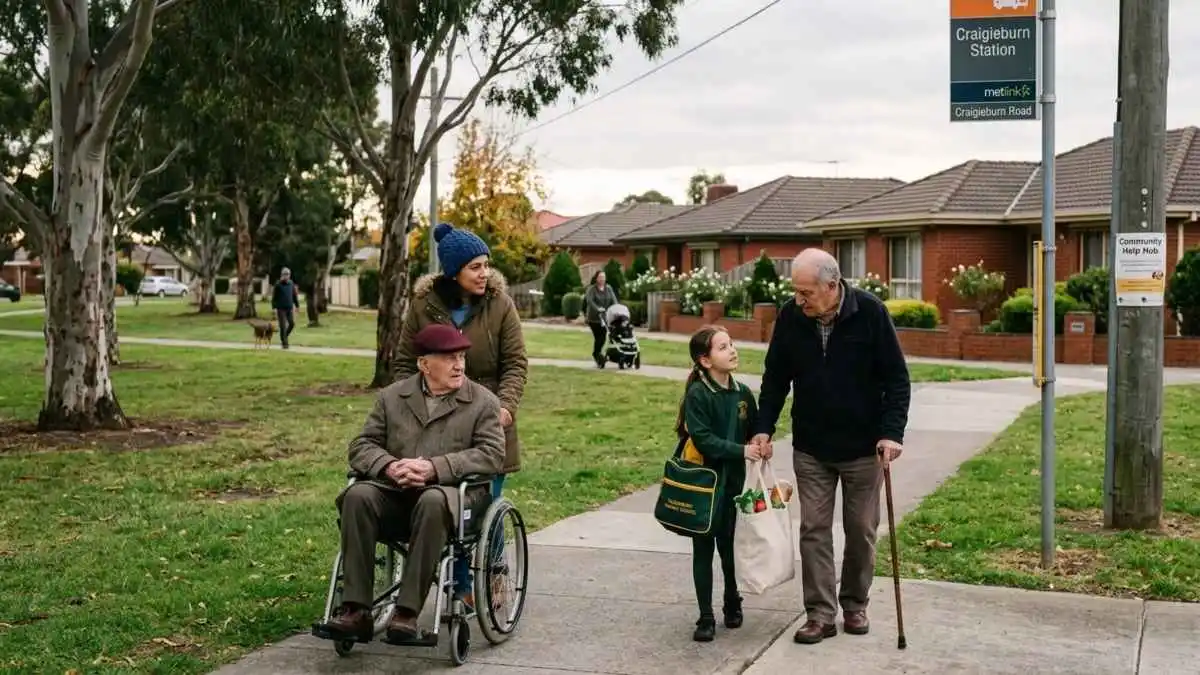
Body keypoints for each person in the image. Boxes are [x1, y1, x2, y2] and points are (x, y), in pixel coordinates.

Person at [750, 248, 911, 645]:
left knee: (861, 530)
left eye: (806, 292)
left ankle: (854, 604)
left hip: (863, 448)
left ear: (832, 285)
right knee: (814, 530)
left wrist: (891, 433)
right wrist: (763, 427)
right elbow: (775, 378)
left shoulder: (870, 313)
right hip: (812, 446)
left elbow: (897, 379)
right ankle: (820, 614)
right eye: (795, 291)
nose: (799, 300)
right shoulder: (791, 317)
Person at [320, 324, 506, 643]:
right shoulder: (392, 397)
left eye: (461, 357)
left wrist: (434, 468)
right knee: (357, 495)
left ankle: (405, 613)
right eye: (449, 358)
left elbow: (492, 455)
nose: (459, 365)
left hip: (452, 500)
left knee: (432, 500)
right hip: (397, 493)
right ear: (424, 364)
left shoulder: (483, 402)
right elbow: (362, 445)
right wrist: (389, 466)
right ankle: (356, 610)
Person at [393, 222, 528, 608]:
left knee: (484, 504)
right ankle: (458, 583)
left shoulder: (500, 305)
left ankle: (494, 570)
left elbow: (515, 363)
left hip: (486, 419)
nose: (484, 273)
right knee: (446, 502)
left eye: (486, 265)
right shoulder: (424, 306)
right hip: (435, 420)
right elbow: (404, 364)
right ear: (454, 271)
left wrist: (505, 406)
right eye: (475, 267)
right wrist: (410, 409)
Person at [678, 325, 763, 642]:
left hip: (734, 484)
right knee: (703, 549)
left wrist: (759, 442)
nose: (732, 350)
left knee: (729, 547)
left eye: (732, 344)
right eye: (723, 347)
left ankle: (732, 599)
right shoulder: (698, 394)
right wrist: (741, 450)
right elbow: (703, 439)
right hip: (703, 483)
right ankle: (705, 615)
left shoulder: (742, 393)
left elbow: (753, 429)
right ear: (705, 360)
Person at [584, 270, 618, 367]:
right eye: (600, 277)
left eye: (603, 277)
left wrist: (616, 308)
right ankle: (597, 355)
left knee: (602, 337)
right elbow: (590, 301)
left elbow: (614, 300)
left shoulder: (609, 288)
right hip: (593, 318)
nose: (602, 279)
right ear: (596, 278)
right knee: (599, 337)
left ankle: (597, 354)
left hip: (605, 317)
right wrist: (598, 309)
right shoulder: (591, 289)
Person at [271, 267, 300, 349]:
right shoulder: (278, 284)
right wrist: (274, 308)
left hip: (289, 308)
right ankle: (285, 344)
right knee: (283, 326)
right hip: (281, 309)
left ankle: (284, 337)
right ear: (282, 275)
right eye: (285, 275)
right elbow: (274, 298)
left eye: (288, 275)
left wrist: (297, 306)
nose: (286, 276)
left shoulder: (291, 284)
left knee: (292, 324)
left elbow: (294, 295)